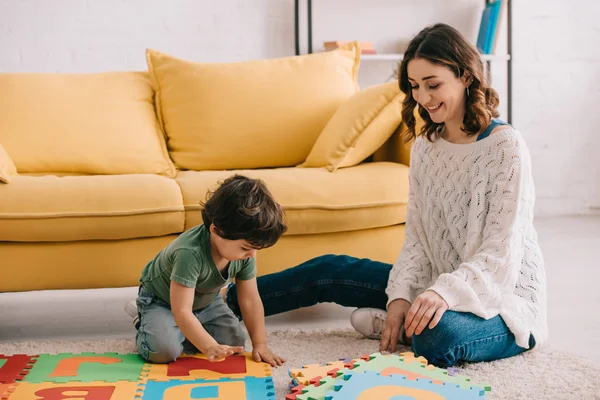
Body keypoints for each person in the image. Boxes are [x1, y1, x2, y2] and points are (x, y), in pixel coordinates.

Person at [223, 23, 548, 368]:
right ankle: (211, 305)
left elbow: (500, 256)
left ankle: (410, 329)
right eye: (414, 86)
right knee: (329, 269)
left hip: (502, 299)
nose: (422, 98)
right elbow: (417, 238)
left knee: (436, 337)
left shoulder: (505, 147)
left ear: (466, 77)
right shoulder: (426, 147)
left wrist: (441, 294)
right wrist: (400, 296)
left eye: (433, 84)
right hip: (435, 286)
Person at [124, 174, 287, 367]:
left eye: (255, 249)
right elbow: (182, 310)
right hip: (162, 301)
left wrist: (260, 344)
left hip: (207, 300)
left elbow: (250, 299)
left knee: (234, 344)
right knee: (163, 351)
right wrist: (208, 346)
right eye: (245, 248)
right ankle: (143, 319)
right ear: (217, 230)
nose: (251, 255)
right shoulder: (189, 253)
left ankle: (182, 330)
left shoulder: (247, 251)